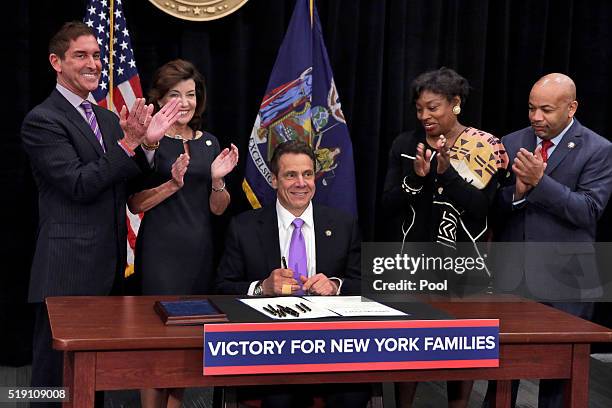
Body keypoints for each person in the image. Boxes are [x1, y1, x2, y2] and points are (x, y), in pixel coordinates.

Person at [21, 21, 180, 406]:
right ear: (56, 62)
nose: (93, 63)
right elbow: (78, 183)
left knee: (95, 379)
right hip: (66, 270)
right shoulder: (43, 120)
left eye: (96, 55)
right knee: (53, 382)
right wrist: (128, 144)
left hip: (109, 270)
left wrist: (148, 146)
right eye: (81, 55)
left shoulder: (108, 119)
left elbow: (125, 180)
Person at [381, 67, 508, 408]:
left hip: (466, 268)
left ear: (456, 103)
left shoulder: (484, 146)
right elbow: (388, 203)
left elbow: (482, 210)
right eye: (420, 108)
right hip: (415, 265)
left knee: (463, 348)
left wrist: (447, 173)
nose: (425, 116)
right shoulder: (407, 145)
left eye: (433, 107)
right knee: (410, 348)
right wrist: (418, 180)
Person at [484, 73, 612, 408]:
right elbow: (491, 208)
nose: (536, 117)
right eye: (531, 108)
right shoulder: (512, 142)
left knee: (558, 382)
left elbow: (589, 210)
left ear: (571, 108)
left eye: (546, 110)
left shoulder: (598, 149)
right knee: (499, 374)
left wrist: (541, 183)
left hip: (568, 278)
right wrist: (516, 193)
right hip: (513, 277)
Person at [216, 140, 368, 407]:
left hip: (331, 346)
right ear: (274, 180)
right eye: (290, 175)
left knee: (353, 393)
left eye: (307, 174)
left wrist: (335, 285)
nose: (301, 183)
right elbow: (220, 288)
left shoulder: (344, 225)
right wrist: (262, 287)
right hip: (269, 348)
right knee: (279, 398)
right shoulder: (244, 227)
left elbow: (365, 284)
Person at [127, 59, 239, 408]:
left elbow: (217, 209)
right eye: (175, 94)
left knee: (187, 345)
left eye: (191, 94)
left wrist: (218, 180)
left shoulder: (209, 142)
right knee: (157, 343)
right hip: (161, 254)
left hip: (200, 253)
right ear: (159, 100)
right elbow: (134, 202)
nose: (185, 102)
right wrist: (173, 184)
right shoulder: (152, 142)